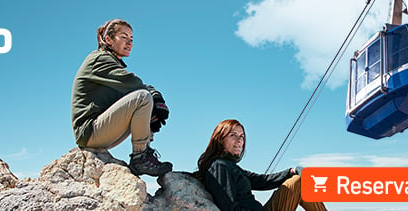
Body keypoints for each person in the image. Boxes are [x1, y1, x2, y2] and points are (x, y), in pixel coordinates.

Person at [70, 18, 172, 177]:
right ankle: (140, 157)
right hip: (89, 131)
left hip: (101, 133)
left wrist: (152, 113)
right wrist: (156, 97)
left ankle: (145, 152)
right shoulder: (99, 59)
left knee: (146, 102)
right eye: (123, 37)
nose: (129, 42)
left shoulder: (112, 65)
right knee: (143, 97)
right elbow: (135, 84)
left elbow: (131, 90)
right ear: (109, 40)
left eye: (131, 39)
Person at [195, 119, 326, 211]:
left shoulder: (230, 166)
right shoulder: (219, 167)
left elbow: (261, 181)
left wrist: (291, 171)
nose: (239, 140)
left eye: (242, 136)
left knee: (300, 182)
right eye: (233, 135)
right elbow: (230, 208)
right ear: (220, 139)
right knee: (299, 183)